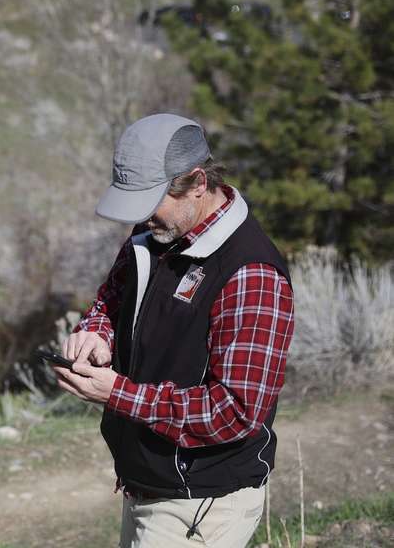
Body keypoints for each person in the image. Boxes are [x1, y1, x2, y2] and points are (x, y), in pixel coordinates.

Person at [55, 114, 294, 548]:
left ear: (198, 183)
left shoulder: (251, 274)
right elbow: (110, 297)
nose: (142, 218)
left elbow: (235, 411)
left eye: (151, 201)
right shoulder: (155, 233)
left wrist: (116, 394)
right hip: (147, 485)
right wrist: (95, 333)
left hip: (201, 504)